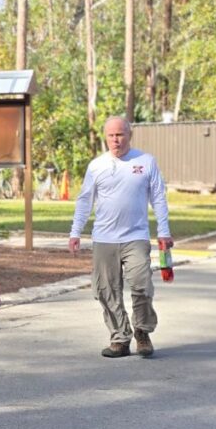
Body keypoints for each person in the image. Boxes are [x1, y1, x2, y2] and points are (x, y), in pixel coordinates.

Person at [69, 115, 173, 359]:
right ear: (105, 137)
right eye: (111, 135)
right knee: (106, 290)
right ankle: (120, 338)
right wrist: (75, 232)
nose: (116, 140)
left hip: (136, 236)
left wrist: (164, 231)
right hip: (104, 238)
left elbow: (158, 198)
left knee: (141, 285)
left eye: (120, 134)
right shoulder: (97, 166)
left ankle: (142, 332)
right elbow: (85, 201)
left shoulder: (145, 162)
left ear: (129, 135)